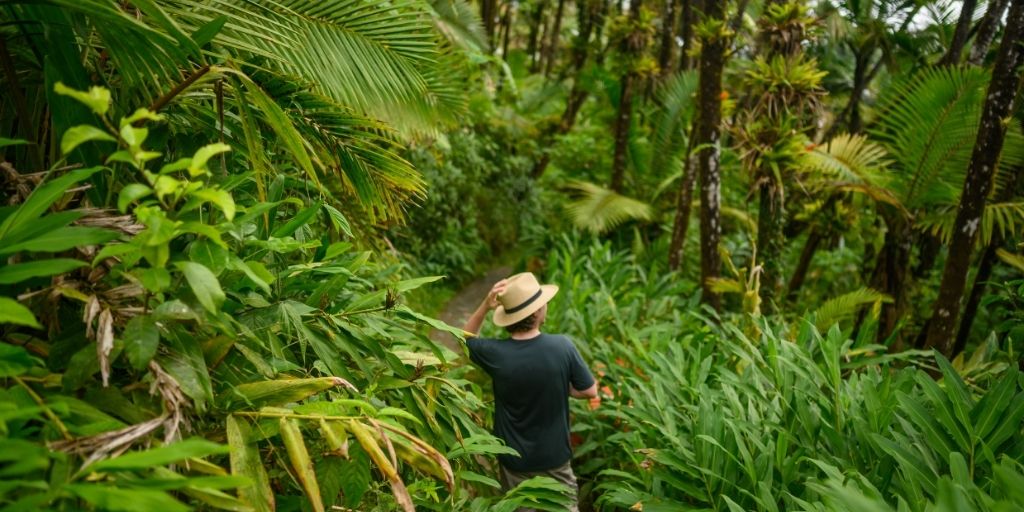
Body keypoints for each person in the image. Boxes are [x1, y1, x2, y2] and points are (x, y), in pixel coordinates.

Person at [462, 272, 598, 512]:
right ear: (536, 313)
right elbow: (589, 391)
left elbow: (465, 338)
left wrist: (485, 305)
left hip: (514, 461)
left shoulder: (496, 353)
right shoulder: (562, 346)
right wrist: (559, 386)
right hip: (555, 458)